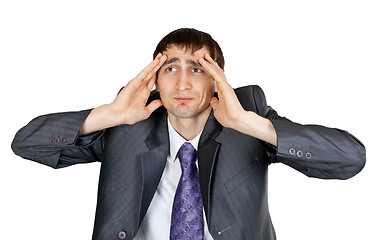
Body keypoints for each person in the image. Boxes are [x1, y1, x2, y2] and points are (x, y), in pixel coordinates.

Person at [11, 28, 366, 240]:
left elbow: (350, 158)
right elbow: (25, 143)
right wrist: (109, 114)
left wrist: (248, 123)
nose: (183, 83)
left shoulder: (249, 118)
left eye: (197, 68)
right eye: (170, 68)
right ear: (154, 79)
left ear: (217, 79)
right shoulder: (125, 127)